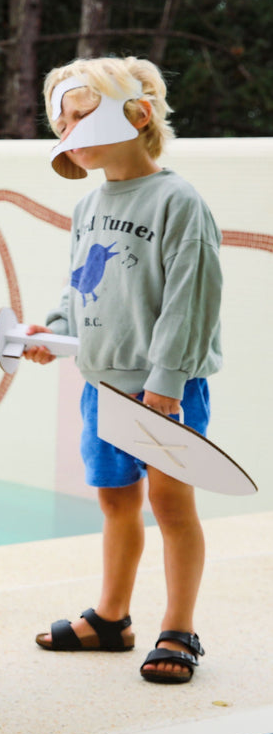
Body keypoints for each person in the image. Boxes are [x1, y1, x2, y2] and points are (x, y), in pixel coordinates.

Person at [22, 56, 222, 685]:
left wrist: (166, 383)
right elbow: (81, 284)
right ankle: (111, 618)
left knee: (171, 504)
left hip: (165, 389)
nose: (68, 132)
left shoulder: (178, 201)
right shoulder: (88, 206)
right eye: (61, 123)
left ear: (136, 115)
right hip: (101, 384)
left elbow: (191, 298)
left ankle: (179, 627)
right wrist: (55, 331)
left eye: (82, 115)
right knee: (115, 501)